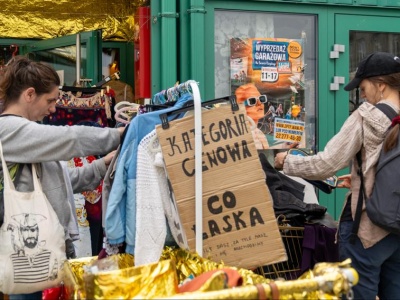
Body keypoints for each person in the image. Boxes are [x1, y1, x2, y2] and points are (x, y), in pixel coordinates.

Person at [274, 52, 400, 299]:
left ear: (381, 85)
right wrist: (357, 181)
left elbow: (327, 164)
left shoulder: (366, 117)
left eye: (363, 88)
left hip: (366, 229)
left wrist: (285, 162)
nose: (362, 95)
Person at [0, 56, 124, 299]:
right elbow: (70, 138)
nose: (54, 108)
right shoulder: (9, 129)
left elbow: (62, 181)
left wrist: (102, 164)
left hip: (40, 253)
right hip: (30, 256)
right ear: (29, 94)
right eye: (50, 100)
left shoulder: (27, 135)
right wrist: (121, 134)